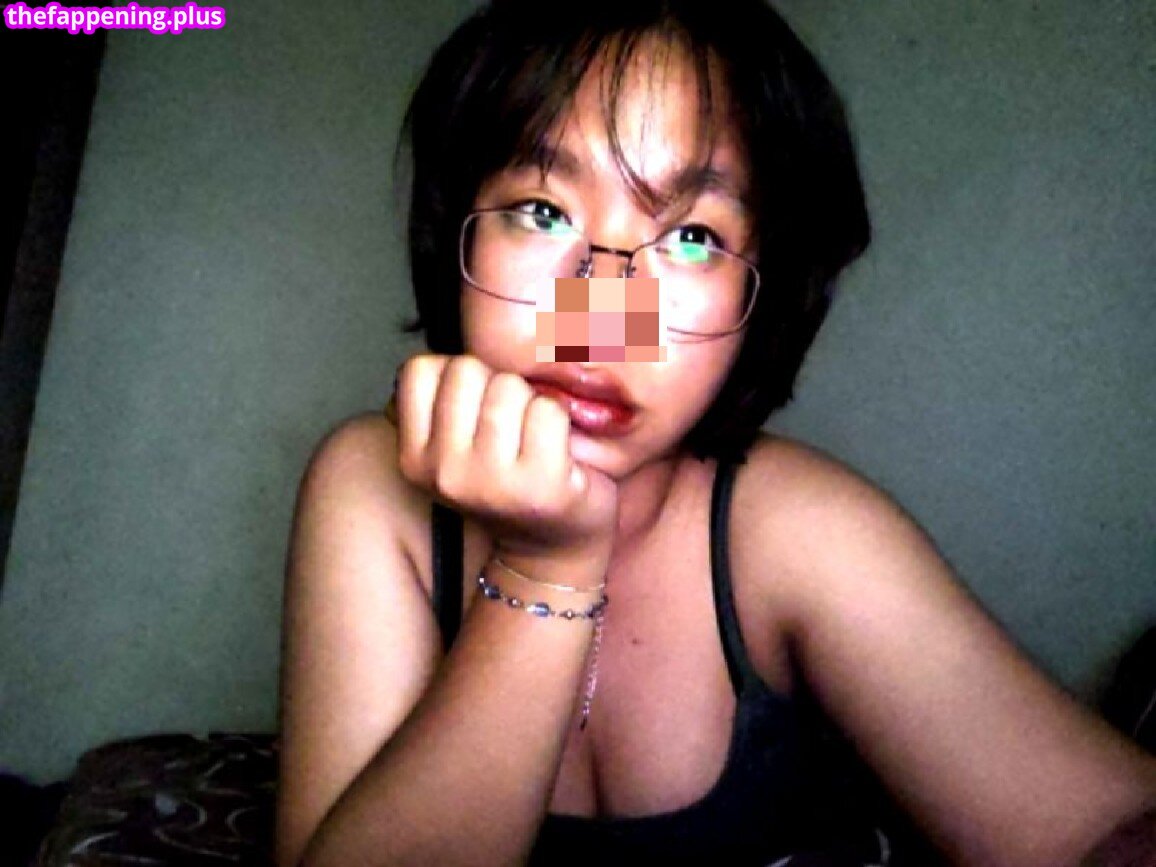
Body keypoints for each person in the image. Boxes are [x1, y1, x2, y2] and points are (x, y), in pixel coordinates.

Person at [273, 1, 1156, 865]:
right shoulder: (372, 487)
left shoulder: (798, 528)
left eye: (692, 237)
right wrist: (545, 570)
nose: (600, 326)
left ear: (760, 295)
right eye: (542, 212)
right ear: (456, 237)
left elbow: (1099, 826)